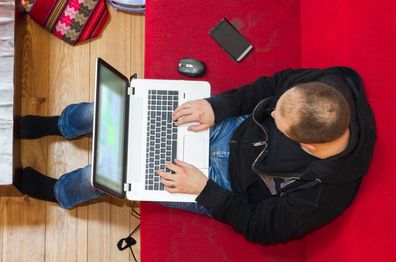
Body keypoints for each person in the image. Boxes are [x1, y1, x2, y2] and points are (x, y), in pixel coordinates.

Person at [17, 66, 376, 244]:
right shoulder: (329, 85)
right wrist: (219, 106)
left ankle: (62, 192)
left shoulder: (324, 194)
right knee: (119, 110)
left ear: (308, 147)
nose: (270, 113)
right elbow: (270, 87)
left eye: (277, 122)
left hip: (220, 184)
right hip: (229, 126)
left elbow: (262, 228)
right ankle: (61, 123)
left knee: (117, 172)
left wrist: (204, 190)